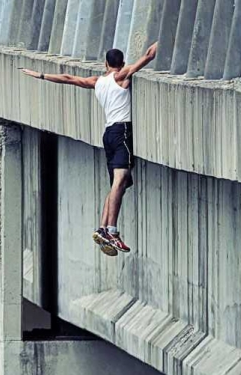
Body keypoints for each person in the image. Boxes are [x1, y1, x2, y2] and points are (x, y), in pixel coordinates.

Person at [21, 43, 158, 257]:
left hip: (108, 135)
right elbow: (149, 56)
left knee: (117, 184)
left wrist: (40, 75)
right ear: (120, 64)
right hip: (121, 132)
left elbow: (69, 79)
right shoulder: (121, 76)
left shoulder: (98, 82)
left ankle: (102, 228)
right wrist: (160, 41)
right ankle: (112, 231)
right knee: (120, 181)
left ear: (105, 64)